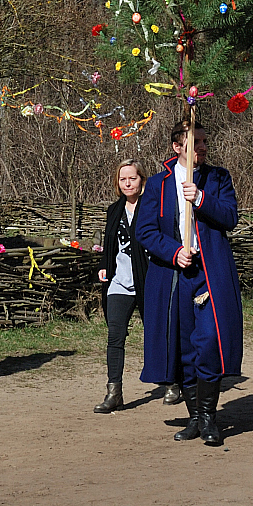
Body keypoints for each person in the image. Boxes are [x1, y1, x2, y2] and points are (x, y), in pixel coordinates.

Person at [137, 123, 244, 447]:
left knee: (209, 341)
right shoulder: (157, 185)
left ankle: (210, 417)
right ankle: (195, 417)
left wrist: (200, 197)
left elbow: (229, 217)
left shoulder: (218, 178)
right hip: (173, 276)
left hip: (209, 273)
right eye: (195, 142)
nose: (202, 147)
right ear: (176, 147)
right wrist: (174, 252)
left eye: (204, 141)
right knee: (180, 347)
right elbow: (145, 231)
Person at [94, 159, 149, 413]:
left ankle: (175, 381)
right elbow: (110, 245)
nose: (127, 183)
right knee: (115, 337)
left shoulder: (152, 208)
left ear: (142, 180)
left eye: (132, 178)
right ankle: (114, 392)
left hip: (147, 281)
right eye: (123, 179)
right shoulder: (114, 210)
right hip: (118, 283)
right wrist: (105, 265)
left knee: (158, 334)